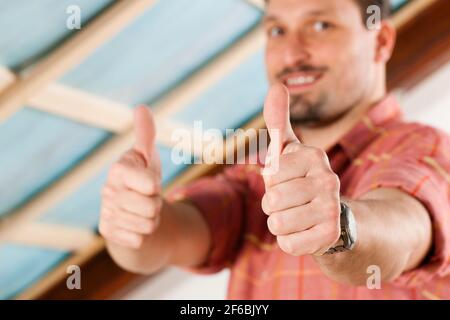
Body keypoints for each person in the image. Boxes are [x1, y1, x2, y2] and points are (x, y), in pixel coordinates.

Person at [99, 0, 450, 299]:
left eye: (321, 24)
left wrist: (339, 225)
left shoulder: (426, 149)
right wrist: (133, 223)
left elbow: (405, 229)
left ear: (381, 41)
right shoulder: (253, 173)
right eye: (277, 31)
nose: (291, 53)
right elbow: (169, 237)